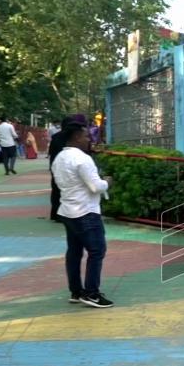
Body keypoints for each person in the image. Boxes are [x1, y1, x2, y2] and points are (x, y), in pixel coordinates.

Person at [52, 123, 113, 308]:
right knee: (97, 251)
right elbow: (95, 186)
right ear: (77, 137)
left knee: (74, 252)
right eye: (86, 136)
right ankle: (92, 293)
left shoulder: (59, 158)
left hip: (68, 211)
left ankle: (76, 291)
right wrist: (107, 182)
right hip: (86, 211)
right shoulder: (82, 159)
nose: (89, 140)